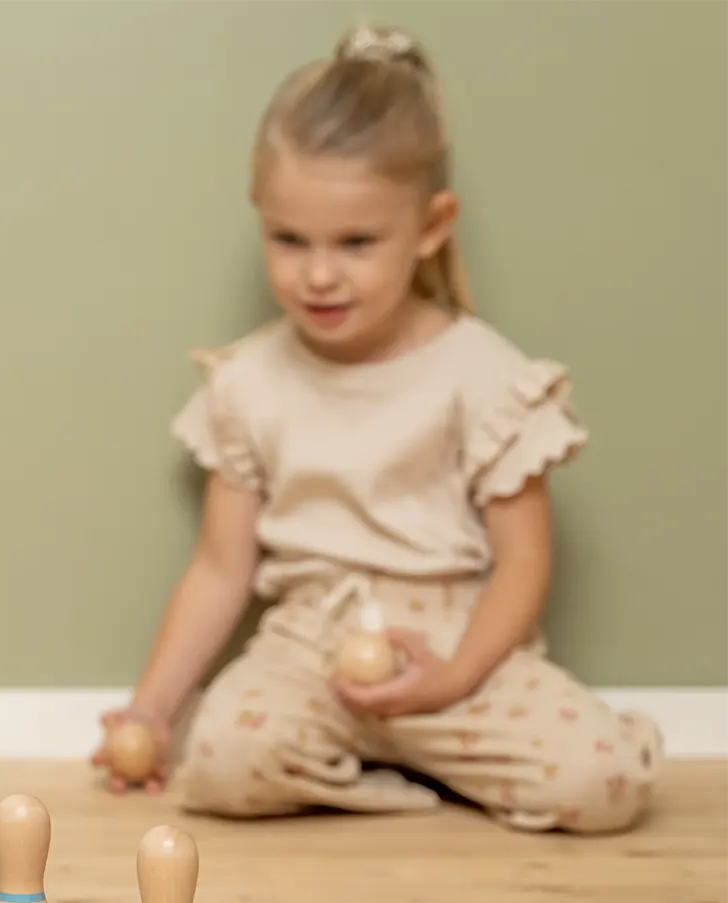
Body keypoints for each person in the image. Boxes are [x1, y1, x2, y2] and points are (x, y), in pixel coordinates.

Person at [91, 24, 661, 834]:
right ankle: (382, 778)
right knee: (217, 763)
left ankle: (424, 748)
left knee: (600, 786)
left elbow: (524, 560)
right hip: (306, 642)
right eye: (290, 239)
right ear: (261, 217)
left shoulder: (483, 375)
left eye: (357, 242)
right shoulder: (248, 383)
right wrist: (148, 711)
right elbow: (221, 569)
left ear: (431, 227)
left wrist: (455, 675)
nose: (319, 273)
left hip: (454, 640)